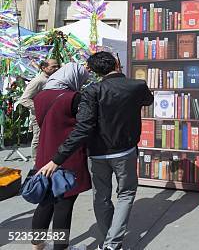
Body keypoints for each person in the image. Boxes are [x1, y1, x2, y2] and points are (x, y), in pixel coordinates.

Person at [38, 52, 154, 250]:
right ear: (117, 63)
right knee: (125, 194)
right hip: (125, 151)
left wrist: (57, 159)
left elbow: (83, 127)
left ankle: (106, 241)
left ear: (93, 71)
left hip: (98, 153)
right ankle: (111, 244)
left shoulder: (92, 91)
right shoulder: (137, 86)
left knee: (101, 197)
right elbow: (147, 101)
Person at [31, 63, 90, 250]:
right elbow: (82, 127)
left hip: (44, 152)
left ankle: (36, 245)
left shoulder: (40, 96)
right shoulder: (74, 97)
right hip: (67, 156)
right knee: (64, 203)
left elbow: (42, 123)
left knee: (45, 201)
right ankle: (60, 247)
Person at [17, 58, 60, 163]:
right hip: (39, 115)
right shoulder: (38, 81)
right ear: (44, 68)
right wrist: (40, 108)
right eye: (53, 67)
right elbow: (24, 99)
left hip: (50, 114)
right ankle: (36, 161)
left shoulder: (53, 79)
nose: (56, 68)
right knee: (38, 137)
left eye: (57, 66)